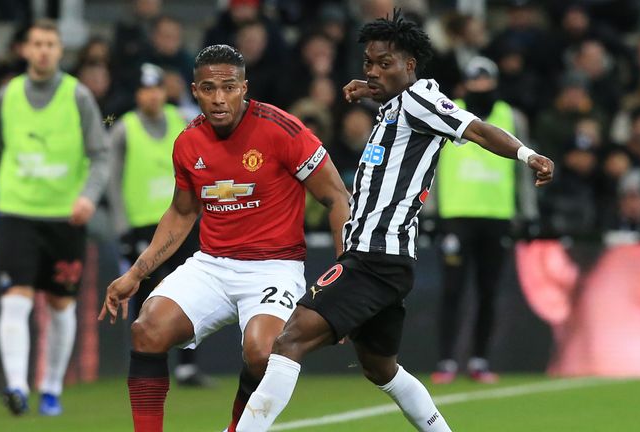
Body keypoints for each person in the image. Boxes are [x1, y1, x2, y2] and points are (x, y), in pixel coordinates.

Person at [236, 12, 554, 432]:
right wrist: (372, 90)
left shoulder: (423, 101)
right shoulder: (397, 103)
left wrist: (527, 155)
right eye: (369, 62)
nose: (373, 70)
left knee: (288, 341)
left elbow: (475, 129)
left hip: (375, 258)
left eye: (384, 63)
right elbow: (398, 104)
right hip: (380, 257)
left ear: (410, 65)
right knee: (380, 367)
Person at [98, 44, 350, 432]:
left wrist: (344, 281)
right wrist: (137, 273)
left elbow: (337, 197)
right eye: (208, 88)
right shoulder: (187, 142)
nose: (219, 98)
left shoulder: (283, 130)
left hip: (274, 267)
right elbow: (183, 212)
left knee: (263, 352)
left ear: (244, 88)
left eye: (229, 87)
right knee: (146, 329)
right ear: (194, 90)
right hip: (212, 263)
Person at [0, 19, 110, 417]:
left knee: (61, 305)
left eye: (51, 44)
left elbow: (100, 154)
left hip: (65, 218)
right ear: (25, 50)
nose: (43, 50)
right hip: (17, 213)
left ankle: (51, 387)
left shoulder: (77, 96)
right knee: (16, 298)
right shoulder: (6, 96)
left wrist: (88, 197)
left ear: (60, 51)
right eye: (37, 44)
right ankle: (16, 388)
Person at [431, 56, 537, 384]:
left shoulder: (511, 116)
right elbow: (431, 162)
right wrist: (430, 211)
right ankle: (447, 360)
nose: (480, 87)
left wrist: (529, 213)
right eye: (474, 81)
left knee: (488, 291)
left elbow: (523, 167)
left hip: (497, 214)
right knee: (452, 290)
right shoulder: (445, 110)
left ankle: (480, 360)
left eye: (485, 81)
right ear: (465, 83)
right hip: (456, 214)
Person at [107, 62, 211, 387]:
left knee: (191, 291)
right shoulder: (124, 128)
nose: (150, 96)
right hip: (143, 224)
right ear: (137, 95)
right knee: (145, 292)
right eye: (144, 90)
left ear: (164, 91)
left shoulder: (183, 120)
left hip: (184, 220)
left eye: (155, 89)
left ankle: (188, 365)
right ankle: (146, 361)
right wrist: (121, 227)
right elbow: (112, 180)